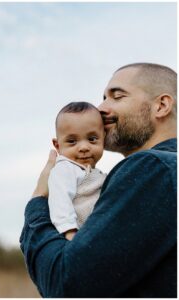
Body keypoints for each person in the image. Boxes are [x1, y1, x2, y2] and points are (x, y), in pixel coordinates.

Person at [20, 63, 177, 298]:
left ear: (161, 105)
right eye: (103, 98)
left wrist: (37, 202)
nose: (101, 108)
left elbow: (67, 286)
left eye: (117, 96)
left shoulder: (153, 168)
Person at [49, 101, 107, 240]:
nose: (84, 147)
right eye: (72, 141)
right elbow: (60, 200)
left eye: (92, 139)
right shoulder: (65, 168)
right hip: (77, 237)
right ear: (58, 145)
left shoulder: (93, 173)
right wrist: (70, 232)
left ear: (103, 138)